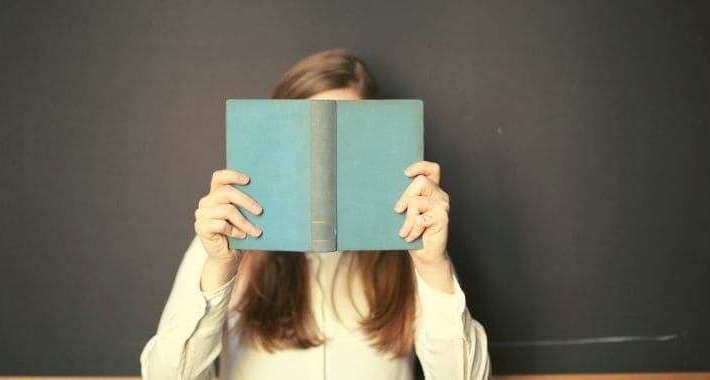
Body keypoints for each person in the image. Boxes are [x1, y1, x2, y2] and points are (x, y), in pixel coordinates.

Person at [140, 49, 490, 380]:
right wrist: (220, 268)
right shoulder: (226, 234)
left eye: (346, 140)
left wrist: (433, 266)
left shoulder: (413, 241)